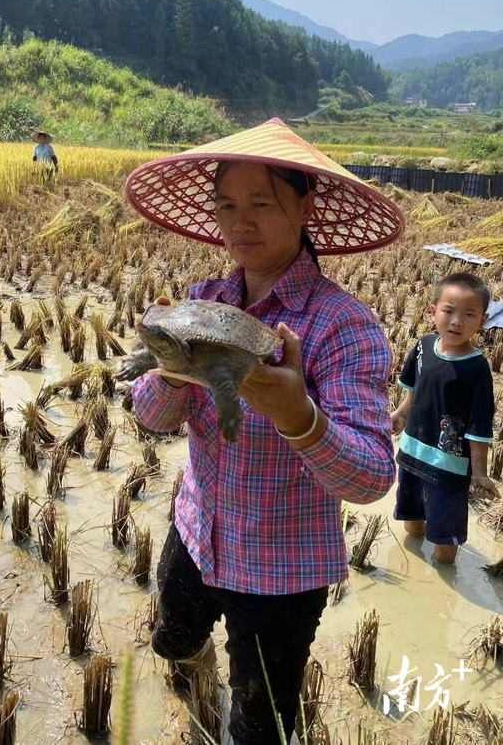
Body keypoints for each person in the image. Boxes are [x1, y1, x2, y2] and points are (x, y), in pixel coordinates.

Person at [122, 118, 405, 745]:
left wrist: (298, 418)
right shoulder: (202, 298)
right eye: (226, 205)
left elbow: (371, 478)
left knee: (259, 722)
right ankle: (191, 705)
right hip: (197, 533)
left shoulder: (342, 326)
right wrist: (171, 369)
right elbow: (149, 417)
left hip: (281, 571)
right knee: (174, 640)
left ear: (305, 208)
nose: (239, 222)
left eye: (260, 204)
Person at [391, 272, 499, 566]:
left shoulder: (476, 370)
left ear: (483, 320)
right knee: (412, 522)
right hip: (412, 453)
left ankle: (441, 575)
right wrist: (400, 414)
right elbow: (414, 390)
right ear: (432, 312)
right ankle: (412, 571)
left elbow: (479, 428)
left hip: (449, 468)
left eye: (468, 315)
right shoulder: (423, 347)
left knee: (445, 543)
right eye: (448, 311)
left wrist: (479, 473)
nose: (456, 321)